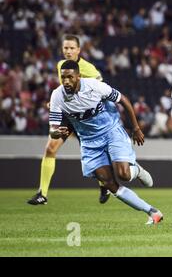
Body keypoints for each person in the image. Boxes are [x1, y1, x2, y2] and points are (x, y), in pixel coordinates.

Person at [27, 35, 152, 205]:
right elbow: (63, 91)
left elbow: (102, 94)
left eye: (72, 48)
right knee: (50, 148)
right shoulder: (61, 66)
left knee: (98, 151)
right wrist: (56, 102)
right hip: (70, 115)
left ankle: (107, 183)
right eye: (65, 48)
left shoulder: (90, 70)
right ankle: (42, 193)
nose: (68, 51)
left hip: (91, 116)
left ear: (79, 50)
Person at [48, 60, 162, 225]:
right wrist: (56, 132)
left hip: (111, 131)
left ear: (78, 77)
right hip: (89, 142)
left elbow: (123, 100)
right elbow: (53, 128)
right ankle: (153, 212)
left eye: (70, 77)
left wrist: (135, 128)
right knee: (109, 184)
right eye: (63, 77)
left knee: (124, 174)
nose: (66, 81)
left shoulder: (95, 86)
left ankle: (136, 170)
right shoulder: (57, 96)